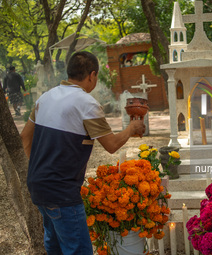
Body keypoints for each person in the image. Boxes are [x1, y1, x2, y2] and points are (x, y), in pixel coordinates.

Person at [20, 51, 145, 255]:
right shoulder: (86, 104)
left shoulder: (45, 97)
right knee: (78, 250)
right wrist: (132, 129)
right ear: (92, 75)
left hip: (37, 185)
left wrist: (40, 169)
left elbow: (25, 136)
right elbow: (111, 145)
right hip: (62, 192)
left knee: (55, 248)